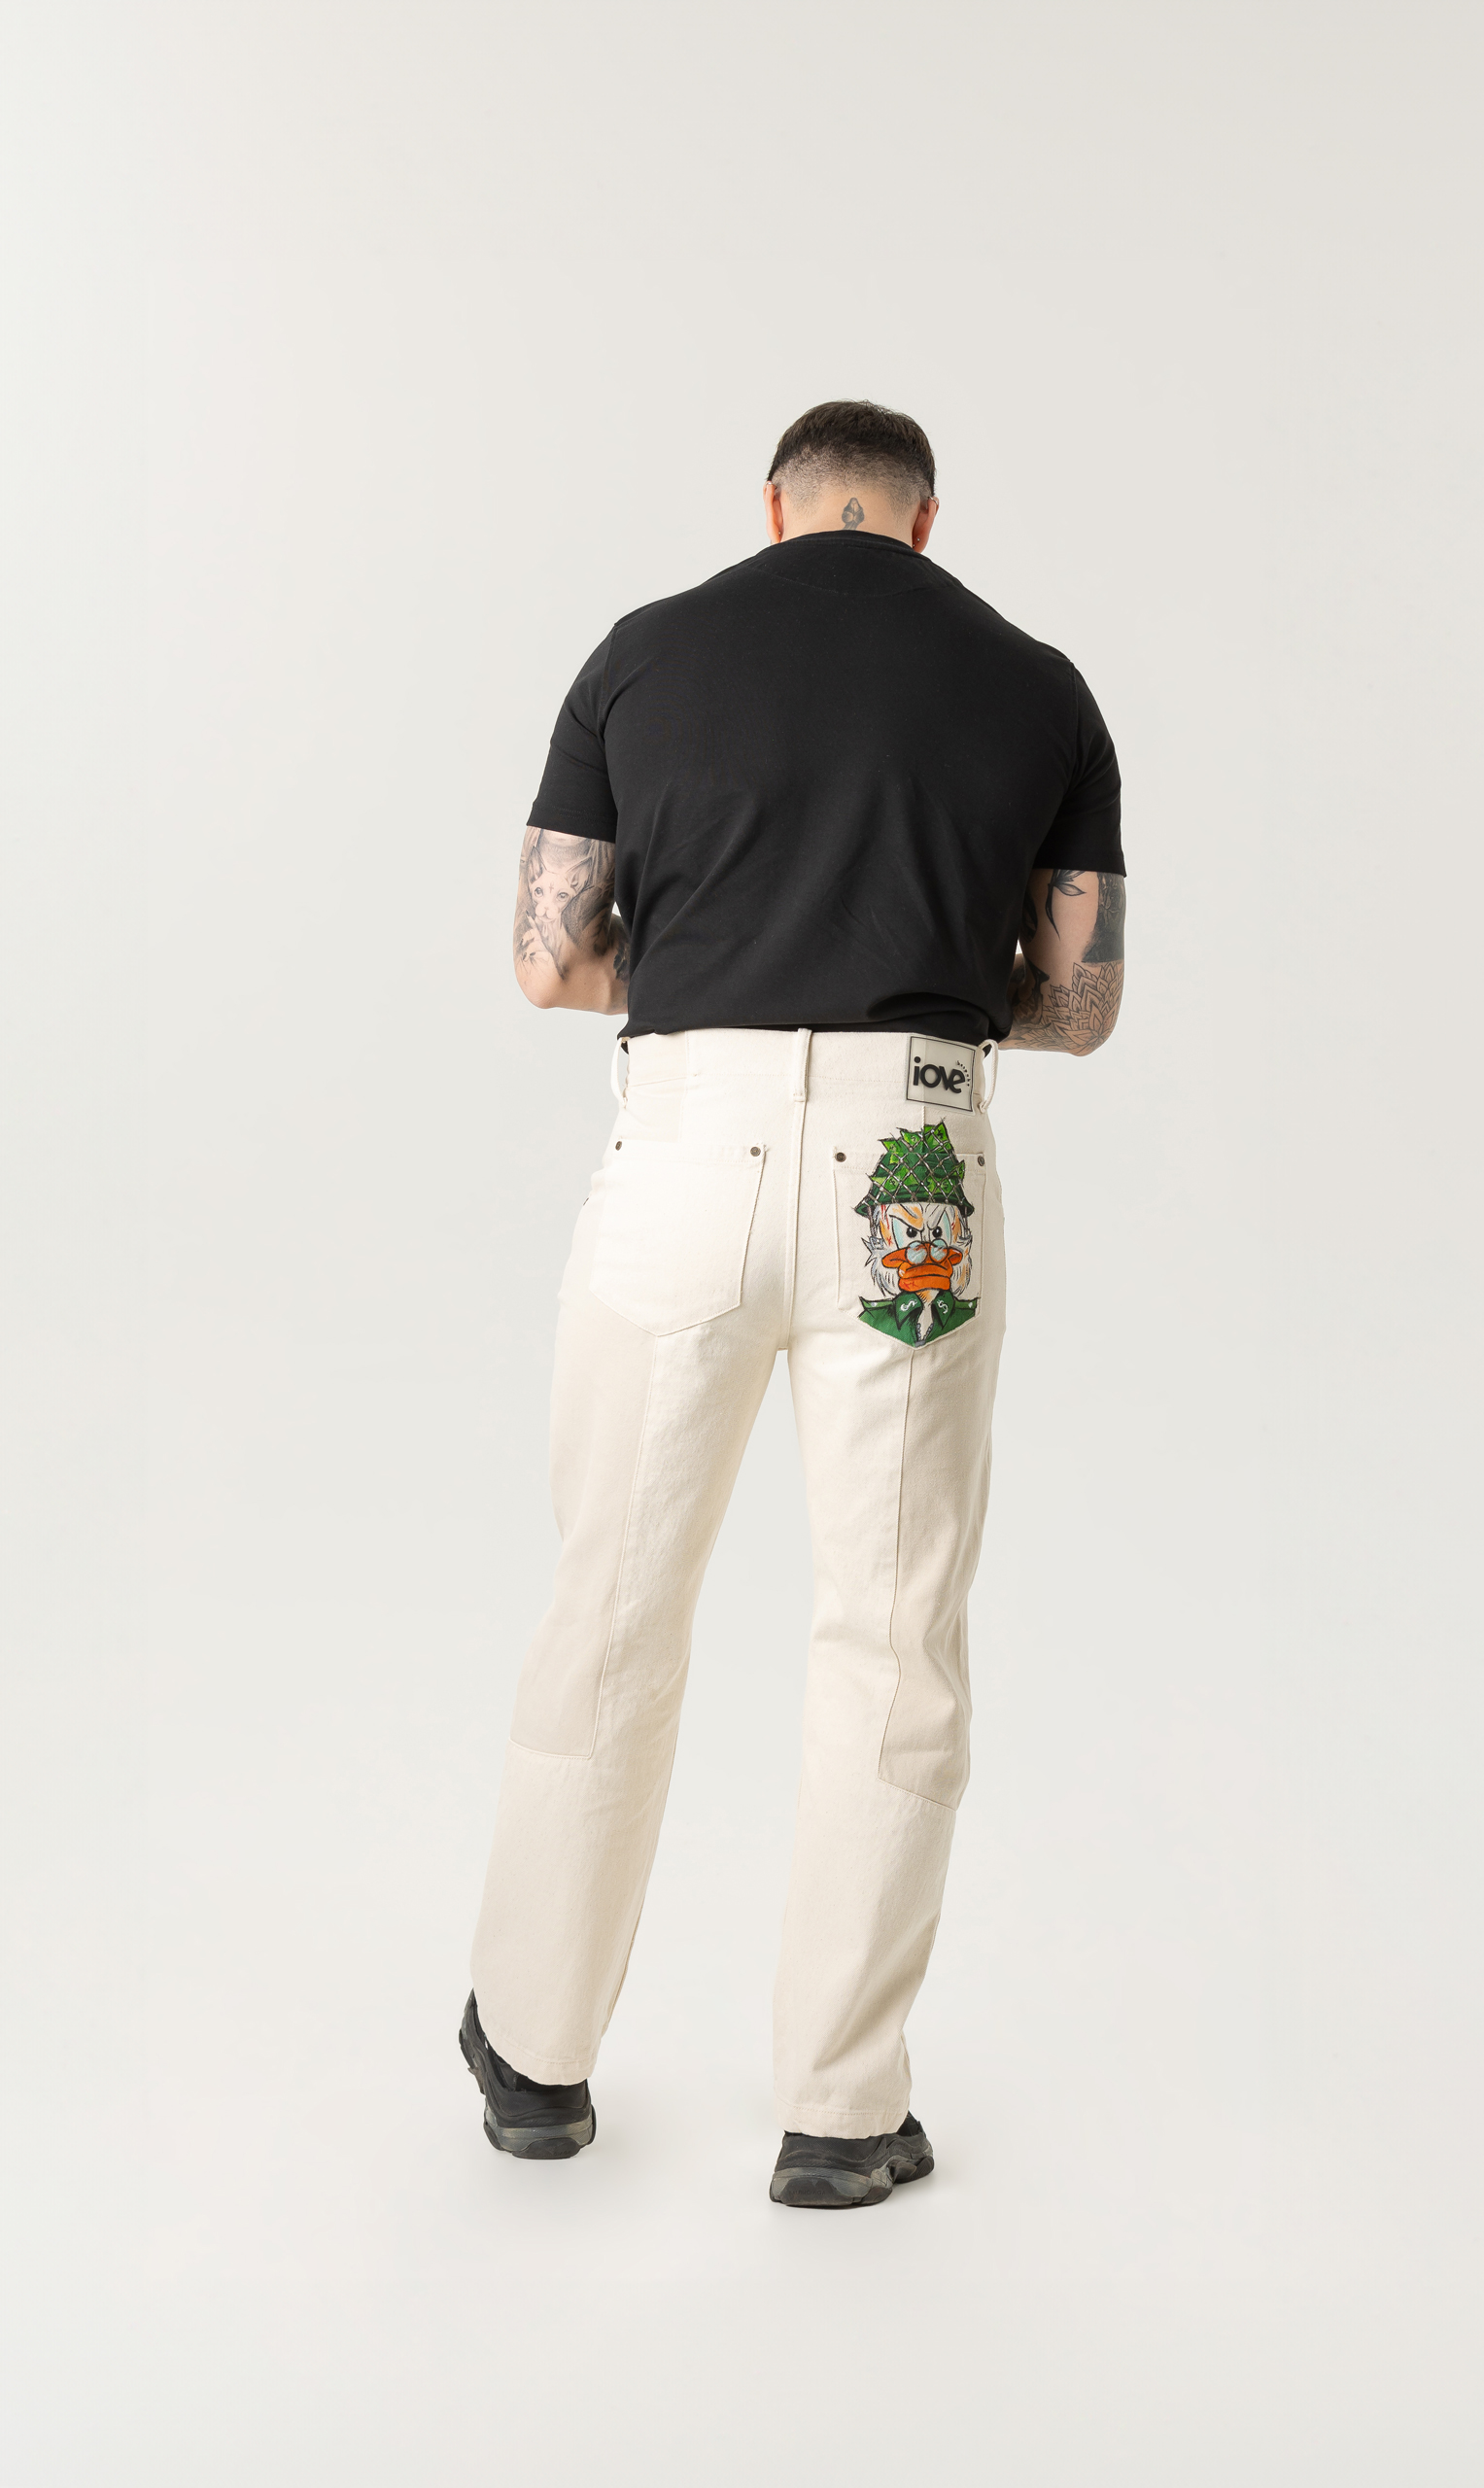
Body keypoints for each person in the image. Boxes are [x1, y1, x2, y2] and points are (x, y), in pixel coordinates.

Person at [460, 398, 1125, 2207]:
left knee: (613, 1599)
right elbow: (1079, 1005)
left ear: (775, 509)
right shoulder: (1038, 686)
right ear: (923, 523)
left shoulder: (645, 651)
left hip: (688, 1148)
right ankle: (840, 2113)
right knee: (893, 1636)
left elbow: (546, 961)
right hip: (916, 1166)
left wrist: (713, 969)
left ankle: (536, 2062)